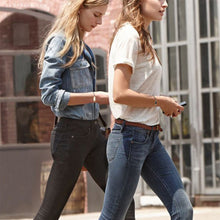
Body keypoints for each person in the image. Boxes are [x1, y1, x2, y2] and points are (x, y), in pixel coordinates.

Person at [34, 0, 135, 219]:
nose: (99, 22)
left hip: (93, 134)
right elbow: (49, 94)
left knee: (125, 200)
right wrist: (94, 97)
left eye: (102, 16)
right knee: (50, 212)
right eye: (96, 15)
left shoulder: (83, 46)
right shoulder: (60, 42)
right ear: (80, 8)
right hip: (71, 136)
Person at [99, 0, 193, 220]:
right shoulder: (128, 35)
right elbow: (119, 93)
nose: (165, 4)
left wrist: (164, 104)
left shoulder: (144, 37)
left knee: (183, 210)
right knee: (112, 217)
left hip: (150, 138)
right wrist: (160, 102)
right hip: (129, 138)